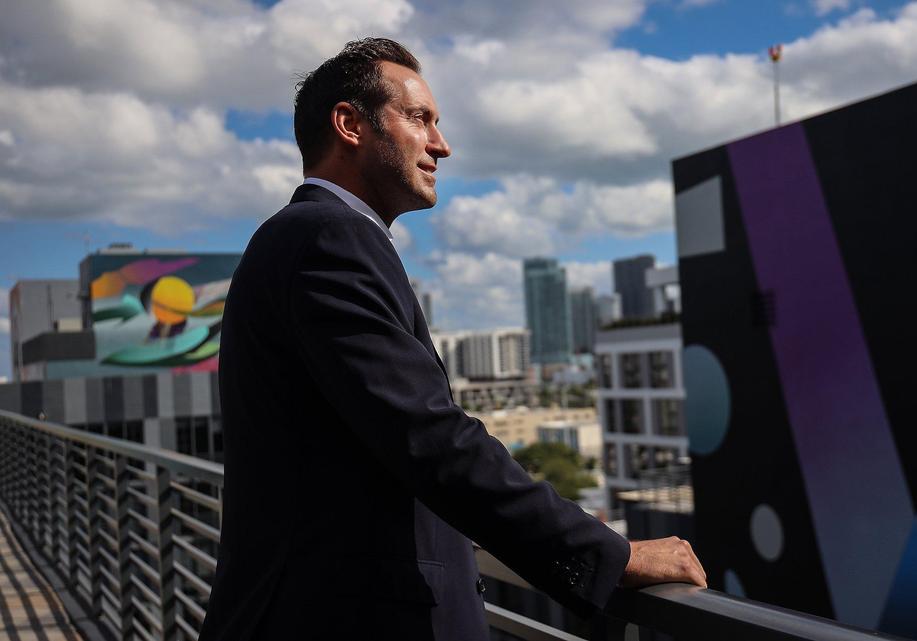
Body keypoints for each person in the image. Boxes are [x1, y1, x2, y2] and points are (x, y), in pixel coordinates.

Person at [198, 38, 706, 641]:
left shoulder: (306, 238)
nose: (441, 144)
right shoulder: (327, 240)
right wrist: (613, 555)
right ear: (349, 124)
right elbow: (430, 437)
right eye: (420, 118)